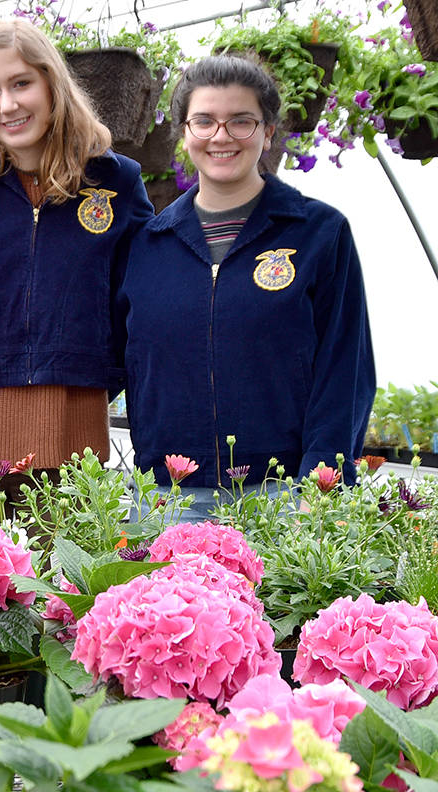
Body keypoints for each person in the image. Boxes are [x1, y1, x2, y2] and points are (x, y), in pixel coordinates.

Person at [0, 19, 154, 525]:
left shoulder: (117, 181)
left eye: (21, 83)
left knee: (55, 601)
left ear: (52, 84)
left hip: (69, 431)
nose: (8, 105)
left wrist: (98, 369)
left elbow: (144, 295)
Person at [117, 54, 374, 517]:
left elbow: (346, 371)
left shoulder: (318, 233)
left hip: (284, 496)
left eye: (241, 121)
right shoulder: (147, 246)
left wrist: (320, 489)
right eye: (204, 121)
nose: (221, 136)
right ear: (183, 132)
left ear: (268, 131)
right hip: (167, 498)